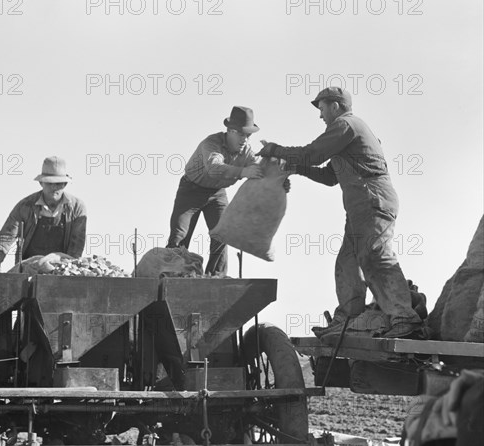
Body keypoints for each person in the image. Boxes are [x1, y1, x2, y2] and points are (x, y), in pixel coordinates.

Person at [257, 87, 423, 338]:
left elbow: (311, 155)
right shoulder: (344, 135)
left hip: (371, 200)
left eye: (322, 108)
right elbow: (328, 177)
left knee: (376, 257)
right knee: (347, 262)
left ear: (335, 106)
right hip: (359, 206)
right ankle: (349, 319)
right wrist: (295, 167)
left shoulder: (346, 125)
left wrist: (275, 150)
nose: (320, 115)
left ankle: (403, 317)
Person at [166, 106, 265, 275]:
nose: (245, 139)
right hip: (191, 191)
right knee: (179, 236)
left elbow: (260, 169)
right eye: (241, 134)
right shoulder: (211, 144)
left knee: (222, 234)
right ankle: (170, 275)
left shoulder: (247, 151)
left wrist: (278, 181)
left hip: (217, 193)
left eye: (248, 135)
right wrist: (243, 172)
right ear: (230, 131)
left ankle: (215, 276)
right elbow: (214, 168)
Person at [0, 156, 87, 267]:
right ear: (41, 183)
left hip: (61, 269)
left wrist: (66, 270)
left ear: (65, 184)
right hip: (28, 269)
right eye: (49, 183)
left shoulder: (77, 208)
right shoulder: (24, 206)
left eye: (58, 183)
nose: (54, 187)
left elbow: (76, 247)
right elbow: (6, 237)